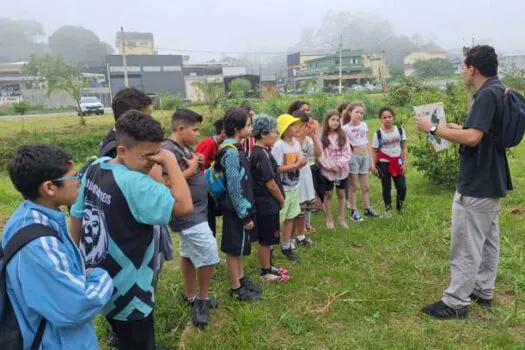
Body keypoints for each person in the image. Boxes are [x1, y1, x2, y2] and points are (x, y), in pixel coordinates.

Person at [70, 111, 192, 350]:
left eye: (158, 154)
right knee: (138, 339)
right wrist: (169, 161)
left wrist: (78, 260)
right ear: (123, 151)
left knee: (122, 332)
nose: (154, 161)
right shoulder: (136, 184)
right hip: (132, 293)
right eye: (149, 156)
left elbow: (76, 215)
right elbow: (185, 206)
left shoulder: (96, 166)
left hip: (102, 279)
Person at [417, 45, 512, 319]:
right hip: (492, 177)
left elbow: (473, 139)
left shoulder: (485, 95)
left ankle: (456, 302)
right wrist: (457, 128)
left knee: (466, 241)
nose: (461, 71)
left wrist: (433, 128)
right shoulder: (498, 89)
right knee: (488, 239)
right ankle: (483, 289)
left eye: (462, 66)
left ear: (473, 69)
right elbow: (478, 131)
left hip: (477, 181)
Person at [2, 144, 113, 349]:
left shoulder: (28, 216)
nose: (79, 182)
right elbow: (76, 305)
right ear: (49, 188)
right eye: (74, 177)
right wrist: (102, 276)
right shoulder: (39, 245)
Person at [162, 109, 220, 328]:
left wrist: (197, 159)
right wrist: (193, 167)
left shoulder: (182, 148)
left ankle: (191, 295)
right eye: (195, 130)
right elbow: (167, 183)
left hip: (195, 211)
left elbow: (186, 168)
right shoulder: (168, 150)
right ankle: (202, 301)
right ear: (180, 129)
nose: (198, 134)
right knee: (209, 254)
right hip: (188, 213)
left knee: (187, 252)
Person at [217, 108, 261, 301]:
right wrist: (244, 214)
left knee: (240, 246)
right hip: (235, 209)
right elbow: (234, 188)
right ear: (237, 128)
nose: (252, 128)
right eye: (249, 125)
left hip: (239, 207)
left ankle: (241, 279)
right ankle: (235, 288)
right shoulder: (231, 153)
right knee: (234, 249)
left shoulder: (235, 147)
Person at [250, 114, 291, 282]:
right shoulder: (260, 154)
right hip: (266, 203)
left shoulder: (265, 151)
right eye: (274, 131)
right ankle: (265, 271)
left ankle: (268, 265)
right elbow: (270, 183)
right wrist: (281, 200)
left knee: (269, 237)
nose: (276, 134)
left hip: (268, 203)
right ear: (264, 133)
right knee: (266, 239)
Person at [272, 114, 310, 262]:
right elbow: (275, 168)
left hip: (295, 186)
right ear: (285, 129)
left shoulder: (295, 142)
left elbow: (299, 159)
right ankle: (270, 246)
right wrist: (295, 165)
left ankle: (286, 246)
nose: (297, 128)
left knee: (290, 217)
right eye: (293, 125)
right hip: (283, 188)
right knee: (280, 218)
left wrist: (302, 161)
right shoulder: (279, 146)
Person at [342, 101, 379, 222]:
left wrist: (371, 162)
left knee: (366, 186)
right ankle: (353, 211)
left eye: (362, 113)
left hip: (365, 156)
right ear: (350, 113)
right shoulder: (345, 129)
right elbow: (343, 147)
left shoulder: (364, 125)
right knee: (353, 186)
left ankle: (367, 208)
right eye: (357, 112)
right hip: (354, 157)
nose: (359, 114)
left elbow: (367, 142)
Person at [371, 107, 408, 217]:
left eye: (389, 117)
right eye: (384, 117)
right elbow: (374, 150)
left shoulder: (400, 130)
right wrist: (373, 166)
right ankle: (388, 209)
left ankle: (400, 207)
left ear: (393, 117)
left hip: (398, 161)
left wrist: (405, 162)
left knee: (402, 187)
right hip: (384, 162)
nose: (387, 119)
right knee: (386, 186)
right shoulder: (378, 133)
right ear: (380, 119)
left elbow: (404, 146)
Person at [318, 110, 352, 229]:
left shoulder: (343, 136)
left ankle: (341, 218)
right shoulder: (322, 137)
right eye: (333, 119)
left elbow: (347, 152)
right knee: (328, 194)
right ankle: (329, 218)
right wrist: (329, 166)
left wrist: (339, 164)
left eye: (337, 120)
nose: (335, 122)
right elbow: (320, 154)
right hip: (328, 171)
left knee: (341, 193)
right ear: (327, 121)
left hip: (341, 170)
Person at [195, 118, 226, 236]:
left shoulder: (217, 145)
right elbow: (199, 167)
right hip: (204, 187)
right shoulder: (208, 143)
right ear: (223, 132)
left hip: (209, 186)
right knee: (208, 217)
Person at [293, 110, 322, 233]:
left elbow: (317, 154)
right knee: (297, 208)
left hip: (306, 175)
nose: (306, 128)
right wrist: (302, 137)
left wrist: (313, 136)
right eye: (304, 125)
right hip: (295, 178)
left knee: (305, 204)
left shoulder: (307, 140)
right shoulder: (292, 140)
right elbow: (296, 152)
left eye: (307, 125)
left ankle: (303, 229)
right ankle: (294, 234)